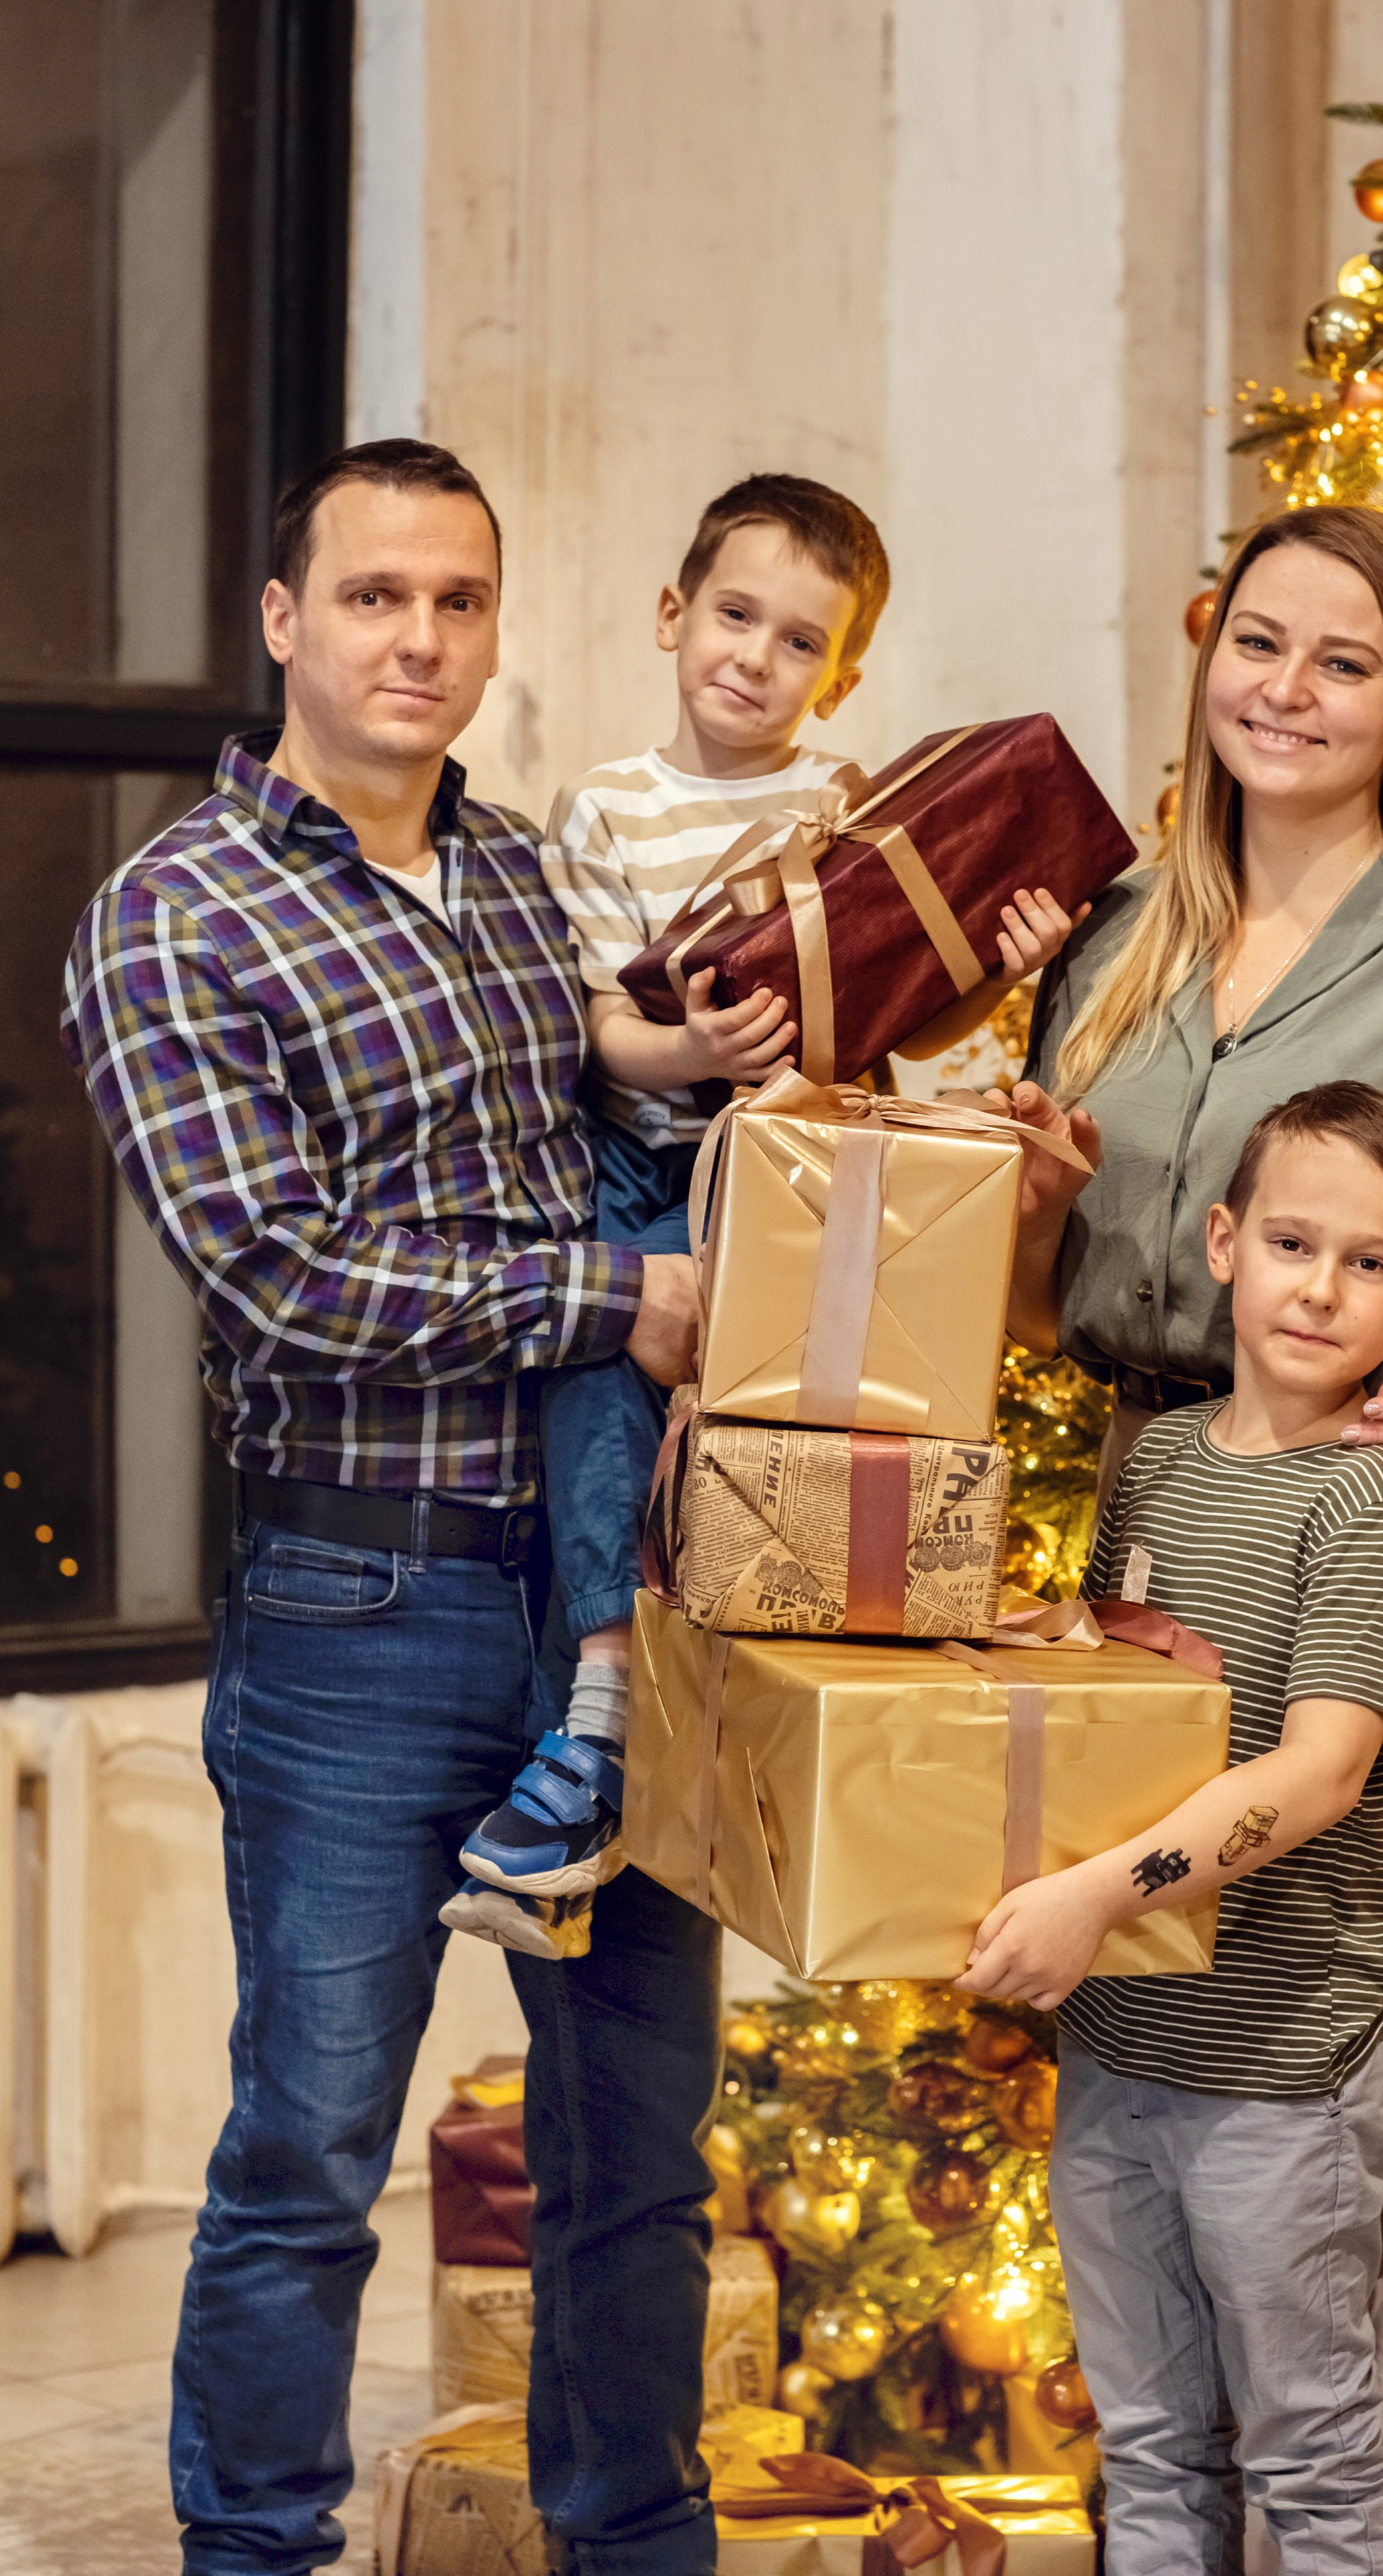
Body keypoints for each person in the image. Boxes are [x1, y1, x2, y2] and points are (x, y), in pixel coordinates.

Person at [61, 438, 719, 2576]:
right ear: (282, 621)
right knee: (311, 2143)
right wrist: (617, 1298)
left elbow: (648, 1124)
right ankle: (255, 2549)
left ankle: (637, 2544)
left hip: (612, 1614)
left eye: (457, 599)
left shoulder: (534, 879)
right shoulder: (174, 916)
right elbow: (284, 1271)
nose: (417, 637)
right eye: (371, 596)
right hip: (362, 1596)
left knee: (640, 2151)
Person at [1000, 503, 1383, 2576]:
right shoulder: (1117, 940)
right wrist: (1008, 1199)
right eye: (1254, 642)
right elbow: (1054, 1277)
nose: (1283, 687)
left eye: (1340, 659)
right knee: (1191, 2079)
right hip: (1167, 1540)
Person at [453, 472, 1083, 1940]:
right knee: (609, 1376)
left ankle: (809, 1710)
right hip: (654, 1161)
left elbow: (914, 1021)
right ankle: (606, 1692)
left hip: (809, 1166)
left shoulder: (850, 803)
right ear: (674, 616)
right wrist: (690, 1052)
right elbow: (600, 1026)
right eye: (733, 616)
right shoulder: (604, 807)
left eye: (799, 641)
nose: (754, 657)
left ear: (842, 674)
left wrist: (1004, 963)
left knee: (830, 1419)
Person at [962, 1081, 1383, 2573]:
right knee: (1152, 2447)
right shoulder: (1161, 1462)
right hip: (1119, 2046)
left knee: (1305, 2458)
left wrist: (1092, 1897)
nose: (1318, 1287)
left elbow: (1315, 1775)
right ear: (1223, 1241)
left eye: (1368, 1263)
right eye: (1293, 1241)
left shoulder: (1370, 1505)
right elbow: (1123, 1686)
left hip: (1278, 2070)